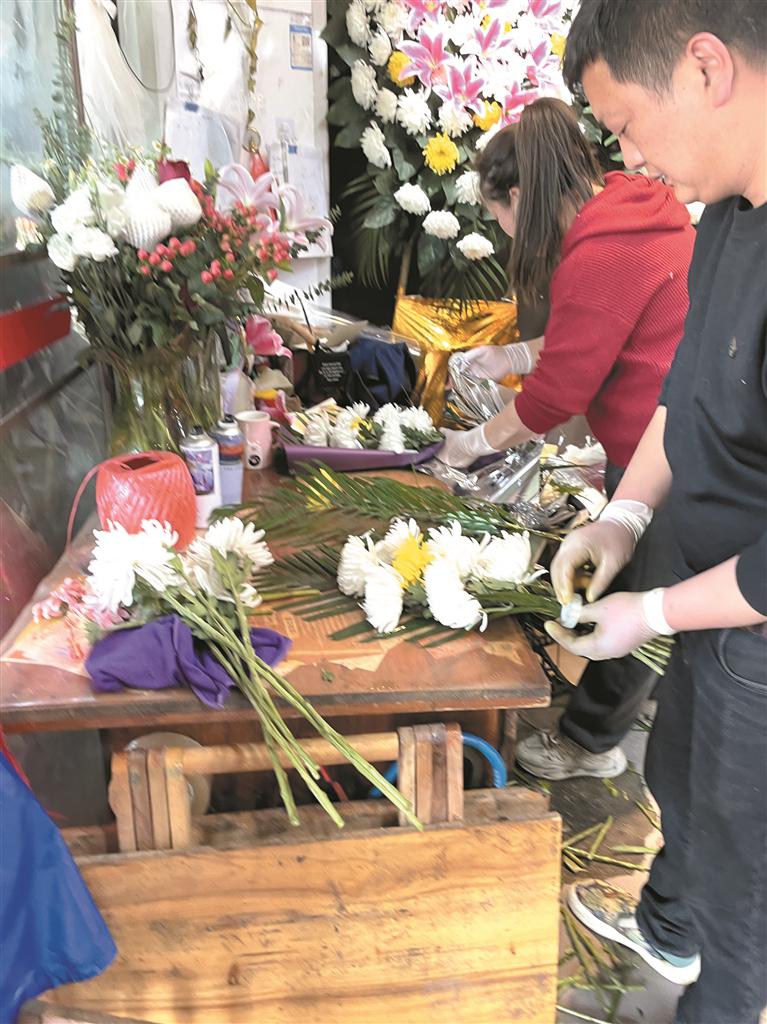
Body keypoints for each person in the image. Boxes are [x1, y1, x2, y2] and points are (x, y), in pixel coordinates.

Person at [544, 3, 767, 1021]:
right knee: (678, 792)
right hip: (712, 608)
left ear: (704, 68)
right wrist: (622, 520)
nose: (626, 156)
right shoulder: (724, 216)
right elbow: (682, 397)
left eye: (626, 124)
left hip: (749, 626)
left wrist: (653, 611)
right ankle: (672, 935)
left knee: (740, 906)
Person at [442, 97, 695, 781]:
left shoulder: (601, 249)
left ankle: (589, 742)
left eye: (496, 214)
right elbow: (599, 327)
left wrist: (470, 444)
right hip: (667, 442)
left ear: (519, 197)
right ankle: (635, 701)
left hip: (664, 455)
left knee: (638, 590)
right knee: (649, 583)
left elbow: (556, 398)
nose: (500, 230)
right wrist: (513, 356)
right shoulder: (626, 209)